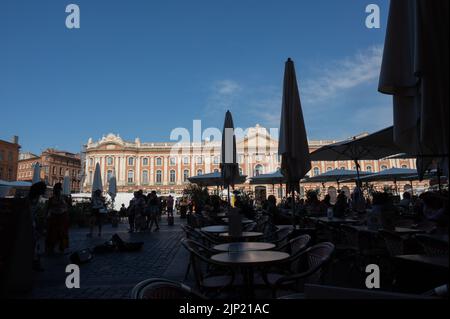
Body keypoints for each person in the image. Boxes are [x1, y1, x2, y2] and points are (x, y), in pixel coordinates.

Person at [27, 182, 47, 271]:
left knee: (36, 245)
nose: (45, 191)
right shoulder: (31, 200)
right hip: (29, 225)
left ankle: (35, 262)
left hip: (33, 224)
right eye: (44, 189)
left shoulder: (36, 199)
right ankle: (33, 263)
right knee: (33, 245)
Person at [45, 183, 69, 254]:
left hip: (62, 217)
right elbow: (48, 208)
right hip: (55, 217)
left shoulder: (63, 198)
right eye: (57, 190)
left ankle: (61, 248)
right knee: (53, 233)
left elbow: (67, 207)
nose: (58, 191)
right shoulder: (52, 199)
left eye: (59, 190)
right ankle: (52, 248)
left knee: (61, 233)